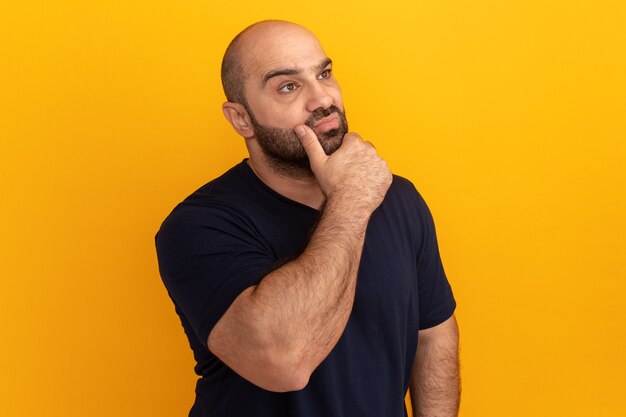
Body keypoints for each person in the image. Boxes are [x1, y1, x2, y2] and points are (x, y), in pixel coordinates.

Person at [155, 20, 460, 417]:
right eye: (288, 86)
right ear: (240, 119)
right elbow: (285, 364)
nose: (322, 98)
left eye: (324, 74)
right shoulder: (198, 226)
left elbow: (433, 336)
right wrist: (352, 198)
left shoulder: (398, 198)